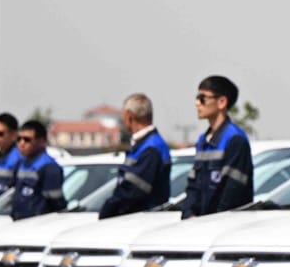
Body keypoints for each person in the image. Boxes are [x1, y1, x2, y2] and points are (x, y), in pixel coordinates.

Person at [185, 76, 253, 218]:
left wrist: (214, 221)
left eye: (202, 98)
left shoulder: (235, 140)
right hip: (201, 225)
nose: (197, 103)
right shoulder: (203, 141)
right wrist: (188, 214)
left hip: (225, 224)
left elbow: (232, 192)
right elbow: (193, 186)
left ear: (222, 102)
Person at [98, 93, 171, 220]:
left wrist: (108, 211)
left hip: (141, 220)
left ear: (129, 116)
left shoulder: (151, 148)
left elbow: (132, 191)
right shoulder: (144, 144)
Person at [9, 119, 66, 220]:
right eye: (19, 139)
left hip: (38, 223)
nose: (21, 143)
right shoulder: (21, 164)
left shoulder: (48, 167)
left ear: (41, 141)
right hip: (19, 222)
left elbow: (56, 204)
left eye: (27, 140)